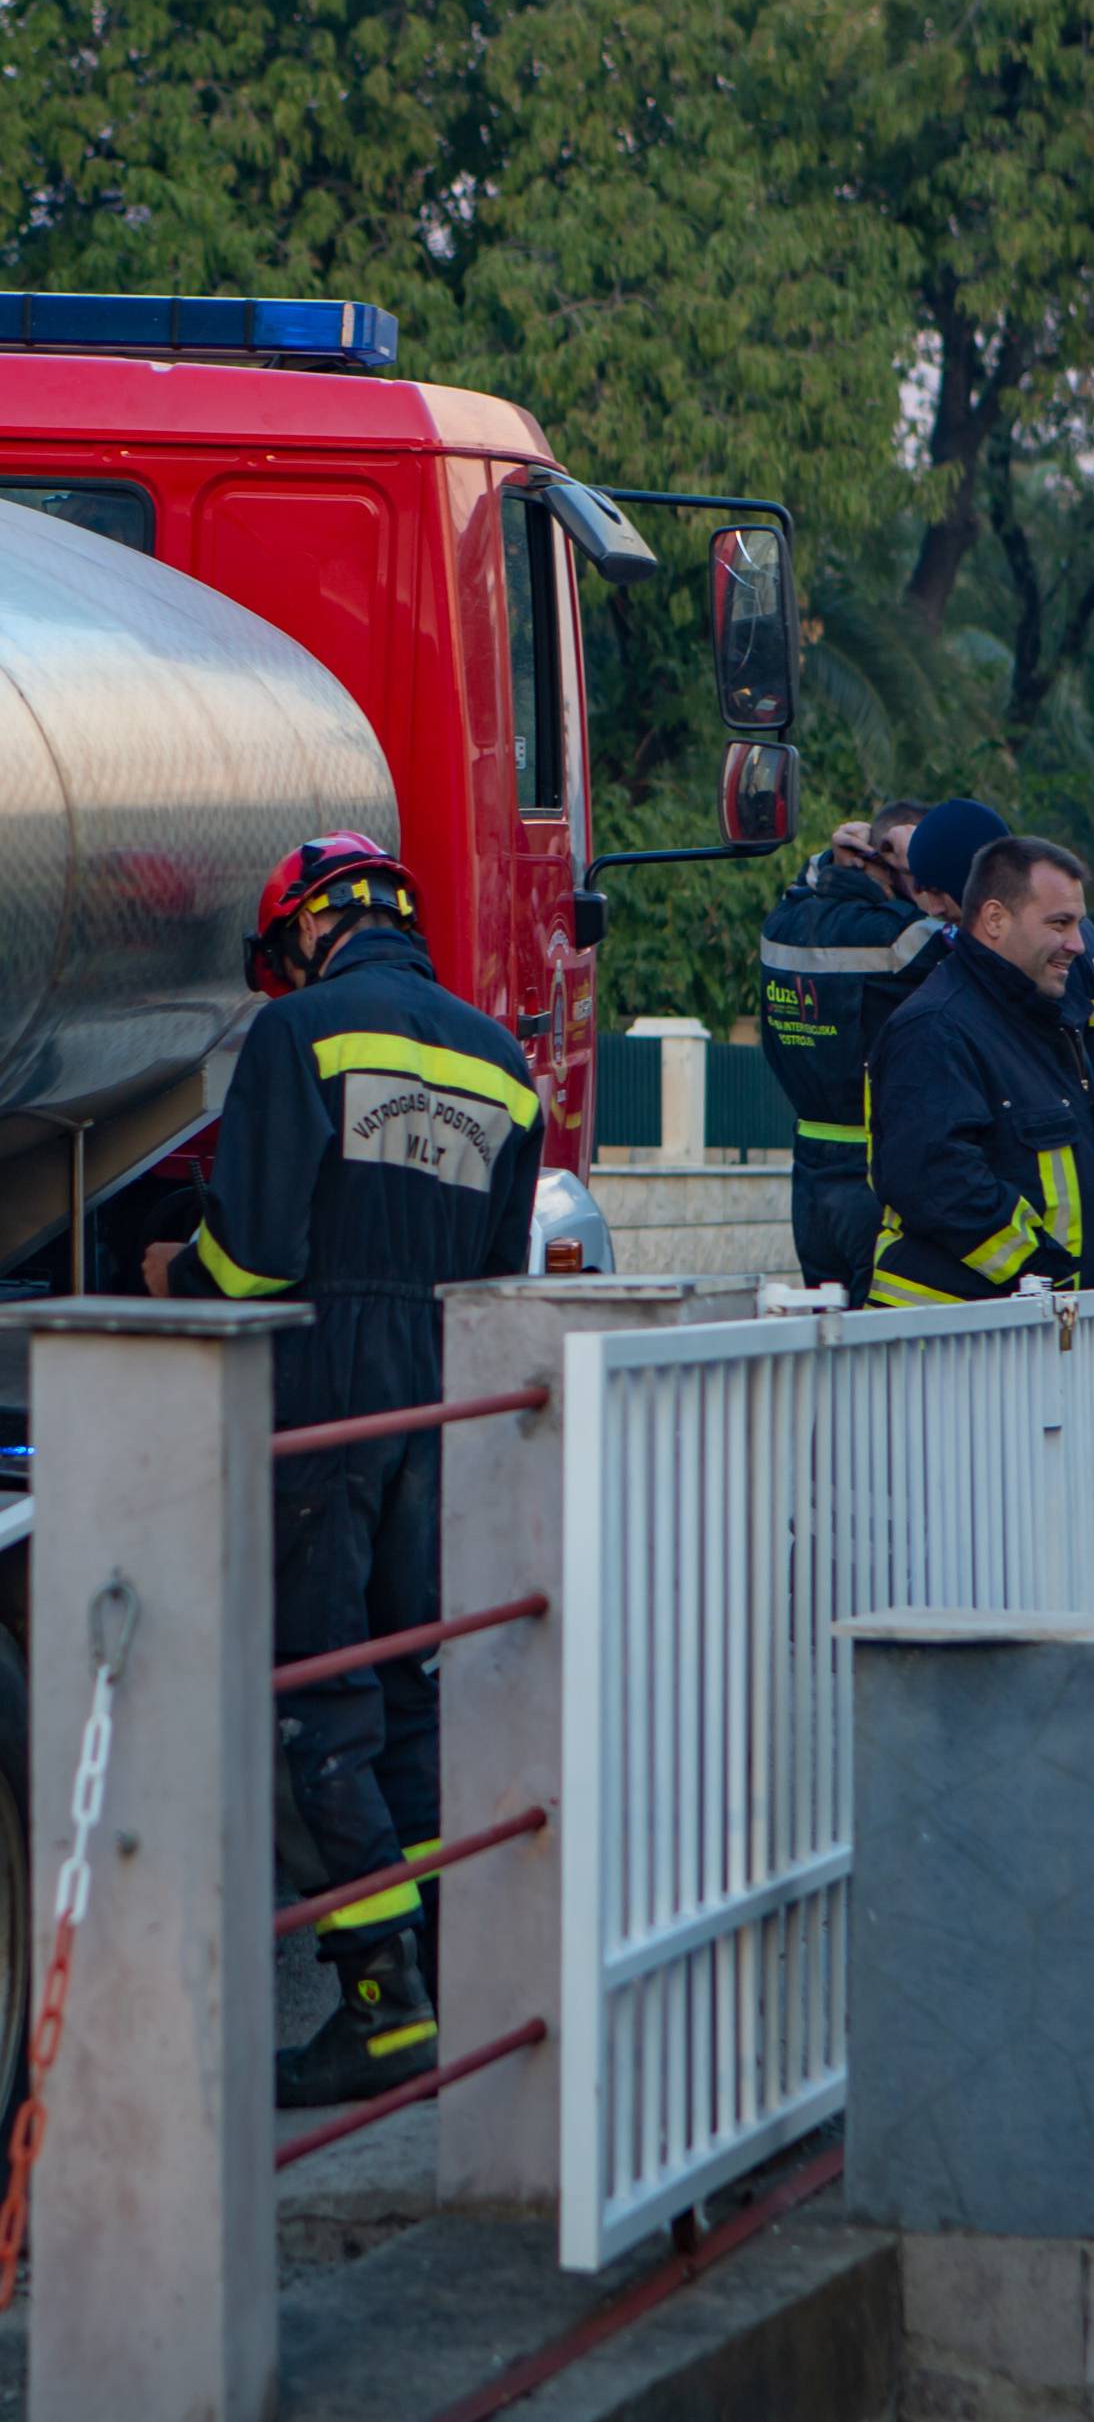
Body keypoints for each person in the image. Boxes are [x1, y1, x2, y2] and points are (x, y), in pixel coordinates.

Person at [143, 833, 543, 2105]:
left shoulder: (298, 1036)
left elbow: (250, 1262)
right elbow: (500, 1274)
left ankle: (375, 2004)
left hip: (320, 1394)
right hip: (437, 1391)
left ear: (310, 930)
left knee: (314, 1699)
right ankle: (448, 1961)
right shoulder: (505, 1064)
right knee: (407, 1695)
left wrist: (166, 1276)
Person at [867, 836, 1094, 1307]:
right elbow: (939, 1184)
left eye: (1079, 925)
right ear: (994, 919)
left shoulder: (1044, 1017)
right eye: (1059, 923)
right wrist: (1051, 1276)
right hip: (950, 1345)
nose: (1077, 944)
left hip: (1028, 1332)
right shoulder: (936, 1028)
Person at [757, 798, 942, 1300]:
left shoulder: (782, 926)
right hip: (875, 1177)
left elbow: (800, 890)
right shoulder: (906, 940)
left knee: (827, 1335)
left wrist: (827, 861)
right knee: (877, 1352)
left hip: (810, 1179)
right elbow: (987, 935)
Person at [906, 799, 1094, 1089]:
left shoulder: (1039, 955)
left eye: (937, 892)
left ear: (970, 883)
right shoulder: (1073, 929)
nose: (932, 908)